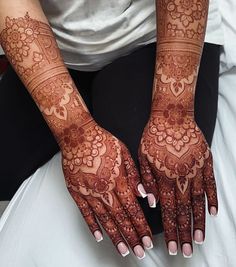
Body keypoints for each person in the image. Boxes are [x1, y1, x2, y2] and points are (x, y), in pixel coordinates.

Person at [0, 0, 222, 265]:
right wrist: (77, 134)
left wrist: (173, 112)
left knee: (152, 200)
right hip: (56, 41)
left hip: (150, 32)